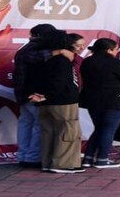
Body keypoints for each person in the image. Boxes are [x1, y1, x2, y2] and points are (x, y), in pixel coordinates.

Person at [13, 24, 70, 169]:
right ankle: (32, 157)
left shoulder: (27, 48)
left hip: (24, 93)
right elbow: (34, 57)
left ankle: (24, 155)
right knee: (38, 125)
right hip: (33, 93)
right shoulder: (35, 49)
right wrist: (59, 51)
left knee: (26, 123)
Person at [79, 38, 120, 169]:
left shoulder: (87, 62)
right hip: (114, 100)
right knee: (108, 129)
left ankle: (88, 158)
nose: (117, 51)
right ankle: (102, 159)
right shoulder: (116, 63)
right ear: (109, 50)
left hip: (92, 100)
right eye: (116, 49)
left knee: (99, 129)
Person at [37, 31, 84, 174]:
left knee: (49, 132)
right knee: (69, 131)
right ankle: (64, 164)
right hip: (63, 101)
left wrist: (42, 95)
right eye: (79, 45)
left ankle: (48, 162)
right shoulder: (63, 61)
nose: (82, 48)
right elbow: (60, 82)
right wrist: (49, 95)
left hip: (47, 101)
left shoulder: (46, 58)